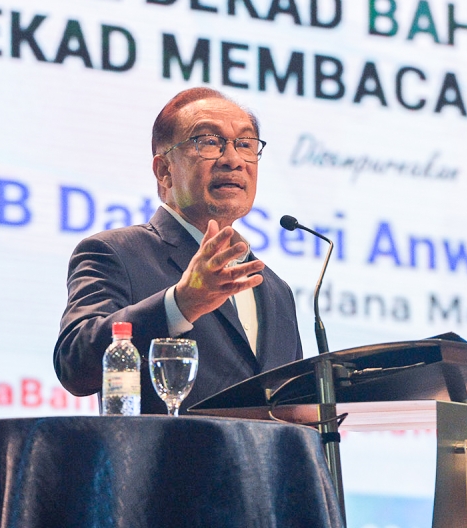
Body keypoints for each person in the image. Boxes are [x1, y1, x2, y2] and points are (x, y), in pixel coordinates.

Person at [53, 87, 302, 414]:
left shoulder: (275, 289)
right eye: (209, 142)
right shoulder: (114, 253)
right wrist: (180, 304)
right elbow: (74, 364)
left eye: (245, 144)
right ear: (164, 171)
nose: (233, 160)